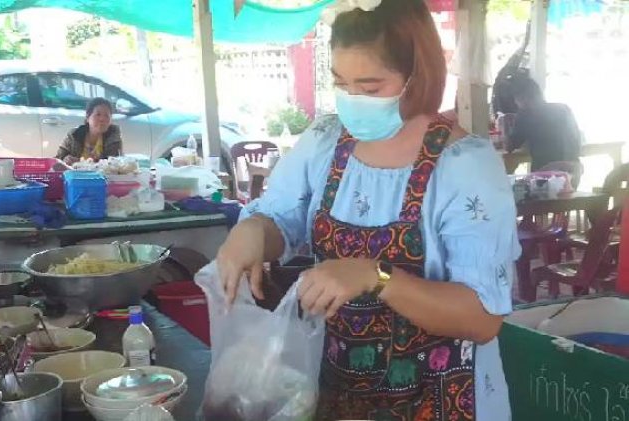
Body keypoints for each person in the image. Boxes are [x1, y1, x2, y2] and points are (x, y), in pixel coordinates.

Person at [216, 1, 521, 420]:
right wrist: (253, 230)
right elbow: (280, 220)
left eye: (371, 87)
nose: (353, 98)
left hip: (441, 401)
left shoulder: (466, 167)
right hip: (338, 396)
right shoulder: (325, 141)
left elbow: (483, 318)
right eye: (341, 82)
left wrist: (375, 276)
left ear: (418, 77)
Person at [506, 75, 583, 172]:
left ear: (523, 98)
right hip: (574, 170)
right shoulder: (564, 109)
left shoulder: (525, 115)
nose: (516, 103)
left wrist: (505, 124)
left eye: (516, 99)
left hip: (547, 175)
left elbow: (509, 147)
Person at [56, 97, 122, 165]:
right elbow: (57, 160)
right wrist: (65, 159)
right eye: (98, 114)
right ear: (88, 117)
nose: (102, 119)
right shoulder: (74, 135)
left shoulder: (114, 137)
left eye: (106, 115)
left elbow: (114, 165)